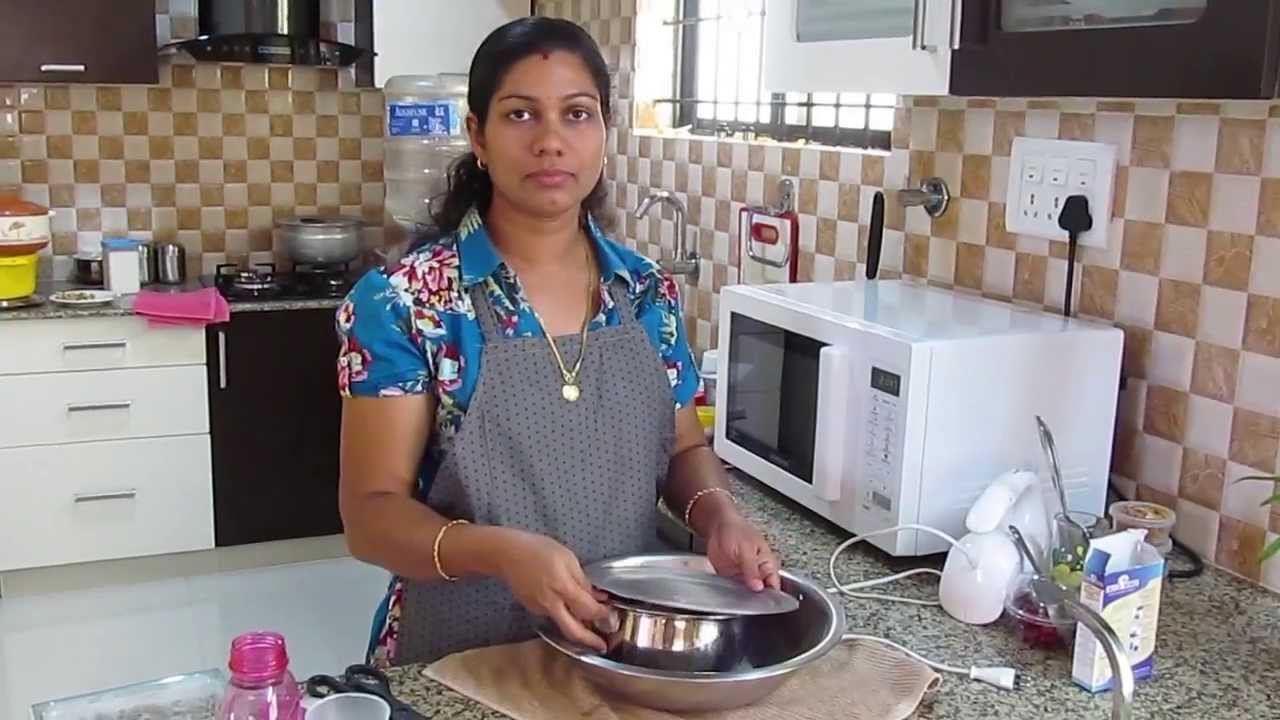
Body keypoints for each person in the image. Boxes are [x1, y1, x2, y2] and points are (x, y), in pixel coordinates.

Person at [336, 16, 780, 668]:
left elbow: (684, 446)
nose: (551, 140)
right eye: (520, 115)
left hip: (624, 643)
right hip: (463, 654)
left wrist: (720, 517)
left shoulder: (647, 294)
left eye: (577, 114)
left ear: (603, 134)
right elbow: (371, 515)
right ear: (477, 135)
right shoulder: (407, 303)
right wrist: (501, 553)